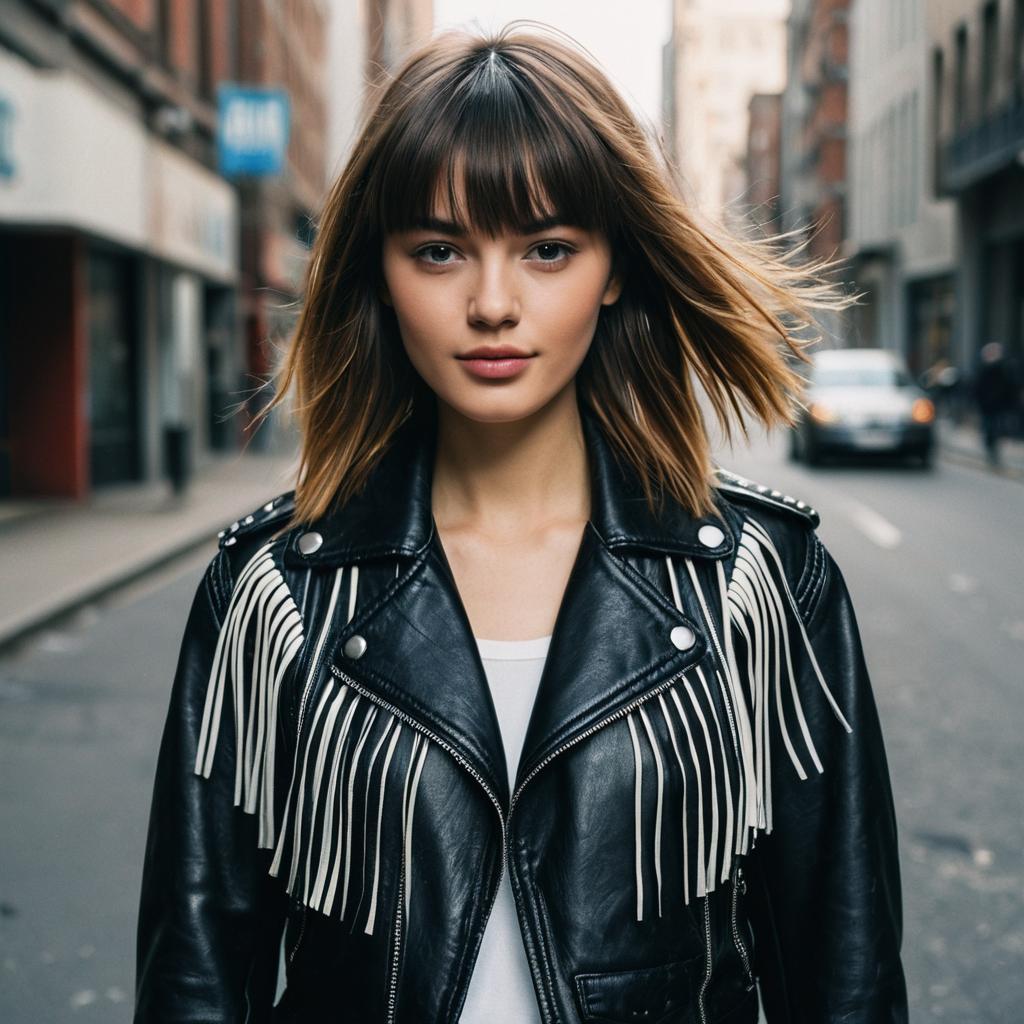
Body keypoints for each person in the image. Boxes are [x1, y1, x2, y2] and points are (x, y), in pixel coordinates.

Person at [133, 23, 907, 1024]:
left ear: (615, 267)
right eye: (440, 249)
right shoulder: (275, 594)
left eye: (546, 248)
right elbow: (197, 974)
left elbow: (840, 971)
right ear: (381, 269)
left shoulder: (760, 584)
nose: (491, 303)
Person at [972, 342, 1019, 465]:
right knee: (989, 428)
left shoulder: (1003, 368)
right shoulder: (984, 369)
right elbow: (977, 388)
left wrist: (1011, 402)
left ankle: (993, 451)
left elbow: (1010, 387)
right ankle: (990, 450)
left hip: (998, 405)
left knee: (997, 428)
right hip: (987, 406)